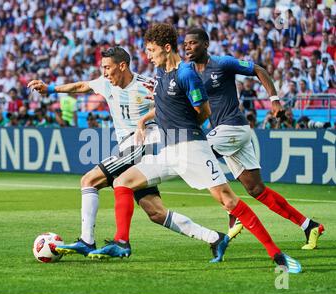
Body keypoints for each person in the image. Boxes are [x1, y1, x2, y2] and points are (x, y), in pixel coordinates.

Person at [89, 23, 301, 273]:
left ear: (167, 48)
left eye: (151, 50)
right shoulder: (161, 76)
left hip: (191, 148)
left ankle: (277, 255)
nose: (147, 55)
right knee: (122, 181)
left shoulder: (186, 73)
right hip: (169, 151)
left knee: (228, 200)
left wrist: (188, 129)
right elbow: (169, 104)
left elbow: (204, 111)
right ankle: (122, 242)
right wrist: (146, 118)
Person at [28, 47, 230, 263]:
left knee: (89, 180)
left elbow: (173, 103)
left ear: (122, 66)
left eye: (107, 68)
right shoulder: (106, 84)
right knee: (156, 212)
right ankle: (215, 237)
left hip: (144, 143)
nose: (104, 73)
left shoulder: (147, 86)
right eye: (102, 68)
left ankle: (87, 241)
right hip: (131, 148)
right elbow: (82, 85)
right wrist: (50, 89)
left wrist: (148, 120)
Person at [183, 28, 324, 249]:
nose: (187, 47)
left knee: (197, 155)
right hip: (224, 133)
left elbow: (258, 69)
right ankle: (309, 225)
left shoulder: (222, 63)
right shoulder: (188, 72)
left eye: (192, 43)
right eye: (185, 44)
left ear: (206, 44)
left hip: (233, 127)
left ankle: (234, 211)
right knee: (257, 189)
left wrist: (274, 100)